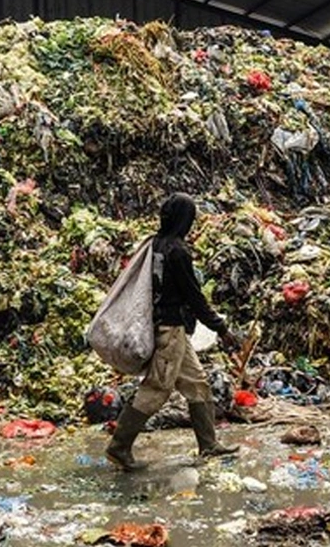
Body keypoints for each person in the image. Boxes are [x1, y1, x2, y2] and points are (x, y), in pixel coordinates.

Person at [105, 193, 242, 470]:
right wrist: (221, 328)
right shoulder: (177, 252)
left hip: (169, 326)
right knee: (157, 388)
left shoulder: (156, 244)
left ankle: (208, 444)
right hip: (169, 330)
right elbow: (193, 296)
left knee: (196, 383)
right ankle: (119, 447)